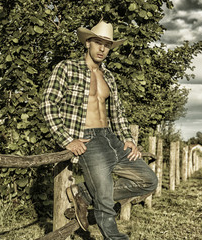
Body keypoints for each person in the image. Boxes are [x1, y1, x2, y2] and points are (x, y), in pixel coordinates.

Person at [41, 20, 158, 240]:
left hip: (110, 137)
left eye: (107, 45)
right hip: (87, 139)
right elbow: (48, 103)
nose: (102, 49)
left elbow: (118, 113)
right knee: (104, 201)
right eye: (98, 43)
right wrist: (66, 139)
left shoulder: (109, 77)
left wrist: (127, 139)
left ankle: (83, 192)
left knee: (148, 180)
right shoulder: (67, 67)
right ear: (87, 43)